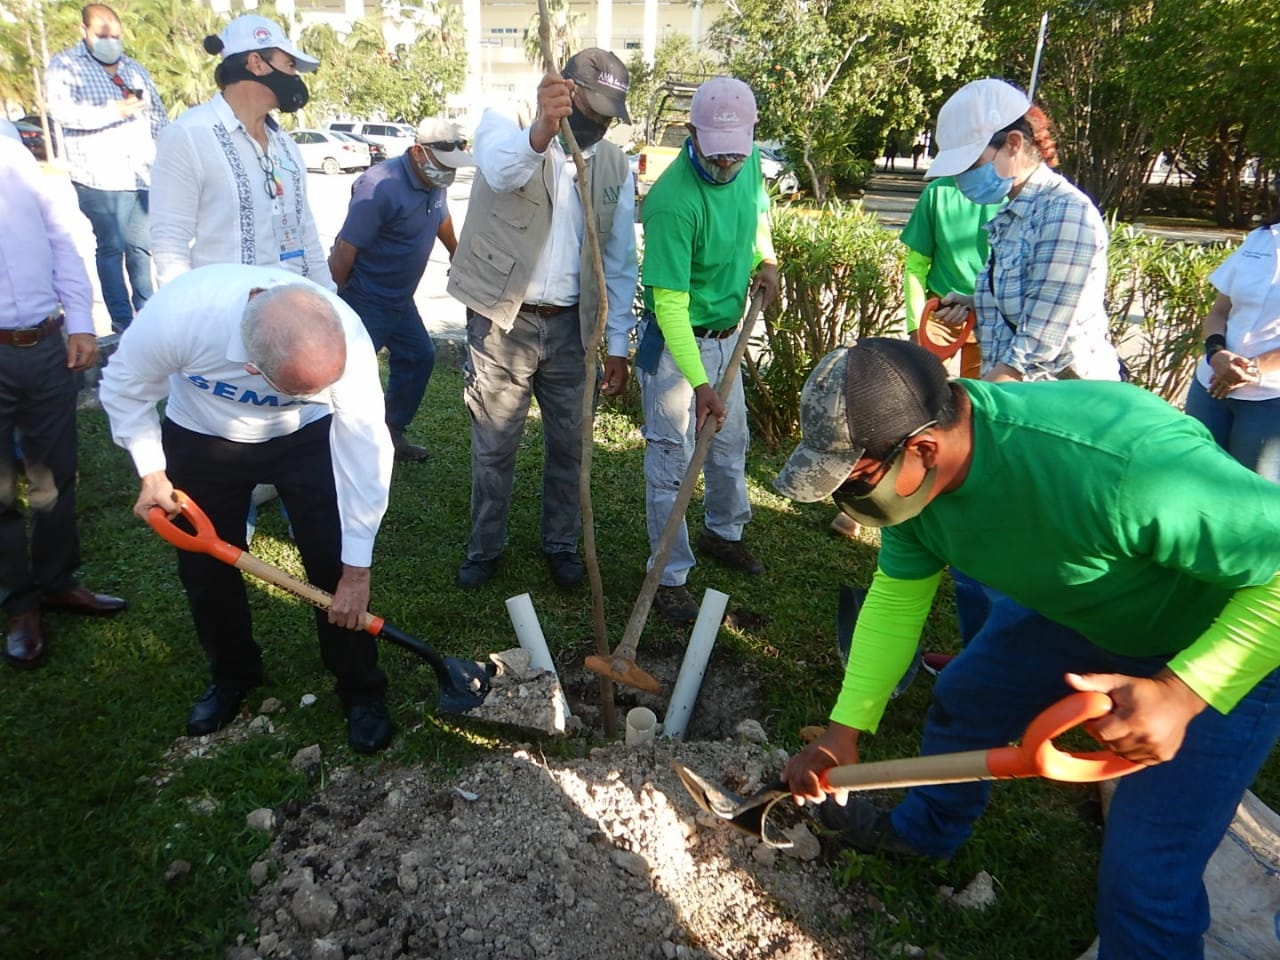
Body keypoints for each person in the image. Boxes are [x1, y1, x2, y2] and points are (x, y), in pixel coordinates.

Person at [775, 337, 1280, 960]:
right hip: (1093, 608)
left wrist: (1183, 693)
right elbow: (898, 597)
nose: (846, 501)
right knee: (968, 695)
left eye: (854, 479)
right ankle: (925, 833)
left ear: (925, 448)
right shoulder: (916, 495)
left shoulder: (1119, 465)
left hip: (1232, 638)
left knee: (1146, 875)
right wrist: (842, 729)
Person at [98, 264, 396, 753]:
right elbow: (123, 389)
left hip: (304, 437)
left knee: (330, 556)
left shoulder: (345, 333)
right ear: (253, 370)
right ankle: (233, 675)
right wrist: (152, 471)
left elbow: (365, 447)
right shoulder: (181, 316)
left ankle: (361, 688)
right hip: (201, 436)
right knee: (205, 571)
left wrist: (357, 569)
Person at [447, 48, 637, 591]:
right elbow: (503, 172)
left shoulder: (614, 165)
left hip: (573, 326)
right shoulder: (503, 122)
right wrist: (542, 130)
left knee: (571, 447)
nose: (599, 126)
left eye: (609, 117)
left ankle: (560, 545)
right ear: (567, 92)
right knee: (495, 442)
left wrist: (617, 344)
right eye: (593, 111)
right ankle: (485, 547)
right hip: (503, 322)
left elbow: (620, 258)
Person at [636, 76, 779, 625]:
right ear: (692, 133)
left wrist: (764, 259)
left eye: (734, 157)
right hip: (678, 349)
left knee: (729, 444)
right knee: (672, 460)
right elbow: (669, 307)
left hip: (725, 335)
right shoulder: (672, 201)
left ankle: (725, 532)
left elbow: (757, 214)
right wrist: (697, 386)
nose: (726, 168)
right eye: (716, 157)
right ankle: (668, 575)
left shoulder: (747, 165)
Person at [1, 136, 127, 668]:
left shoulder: (14, 155)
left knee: (55, 473)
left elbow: (61, 240)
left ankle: (55, 582)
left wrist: (80, 323)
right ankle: (18, 603)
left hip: (46, 345)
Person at [927, 79, 1122, 383]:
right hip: (1021, 398)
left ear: (1013, 144)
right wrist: (973, 302)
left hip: (1061, 404)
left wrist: (969, 405)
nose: (961, 178)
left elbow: (1035, 349)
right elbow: (1026, 300)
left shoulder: (1065, 213)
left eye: (970, 165)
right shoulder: (1012, 212)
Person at [149, 14, 333, 290]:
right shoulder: (190, 136)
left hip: (290, 315)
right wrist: (186, 322)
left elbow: (305, 232)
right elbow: (170, 243)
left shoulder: (286, 146)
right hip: (223, 318)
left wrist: (330, 301)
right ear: (257, 63)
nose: (294, 76)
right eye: (290, 64)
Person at [329, 117, 473, 462]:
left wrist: (459, 254)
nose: (449, 174)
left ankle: (390, 433)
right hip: (365, 299)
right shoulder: (379, 185)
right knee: (346, 378)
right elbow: (345, 249)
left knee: (419, 356)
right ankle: (332, 448)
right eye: (444, 165)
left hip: (400, 300)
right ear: (419, 152)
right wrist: (338, 297)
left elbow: (441, 218)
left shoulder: (433, 179)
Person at [45, 3, 167, 333]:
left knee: (141, 250)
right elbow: (62, 112)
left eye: (115, 34)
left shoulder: (135, 69)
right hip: (98, 179)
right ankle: (123, 325)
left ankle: (150, 319)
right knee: (111, 250)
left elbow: (158, 115)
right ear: (83, 31)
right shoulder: (65, 65)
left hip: (141, 175)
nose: (110, 39)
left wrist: (167, 154)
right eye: (102, 34)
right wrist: (115, 109)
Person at [1184, 212, 1280, 482]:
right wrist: (1216, 353)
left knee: (1254, 498)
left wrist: (1252, 368)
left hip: (1270, 401)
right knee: (1194, 480)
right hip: (1210, 386)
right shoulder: (1260, 238)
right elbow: (1219, 311)